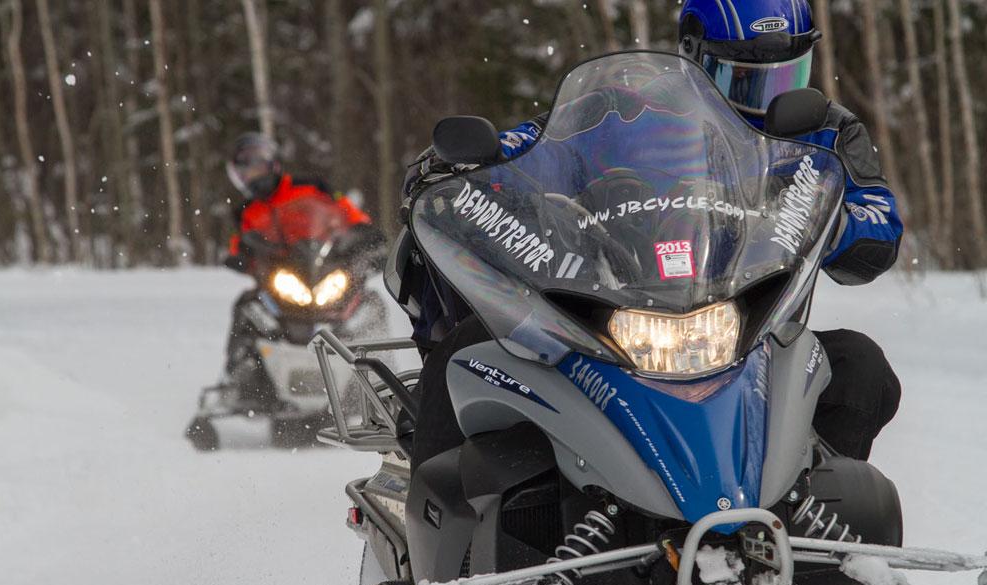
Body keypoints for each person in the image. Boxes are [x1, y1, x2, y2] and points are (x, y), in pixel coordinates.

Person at [398, 0, 902, 467]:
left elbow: (878, 217)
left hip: (753, 332)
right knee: (471, 355)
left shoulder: (825, 131)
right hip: (616, 321)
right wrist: (462, 163)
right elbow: (536, 144)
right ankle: (440, 533)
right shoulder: (629, 110)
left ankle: (814, 506)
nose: (767, 100)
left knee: (860, 369)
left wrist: (835, 223)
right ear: (696, 58)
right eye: (745, 79)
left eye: (788, 74)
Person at [221, 132, 380, 408]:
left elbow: (347, 215)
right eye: (246, 169)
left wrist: (363, 237)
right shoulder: (248, 211)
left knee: (369, 304)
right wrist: (239, 257)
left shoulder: (309, 187)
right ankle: (241, 378)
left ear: (272, 163)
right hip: (281, 276)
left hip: (324, 266)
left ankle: (380, 375)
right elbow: (240, 245)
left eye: (258, 165)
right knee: (246, 307)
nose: (254, 174)